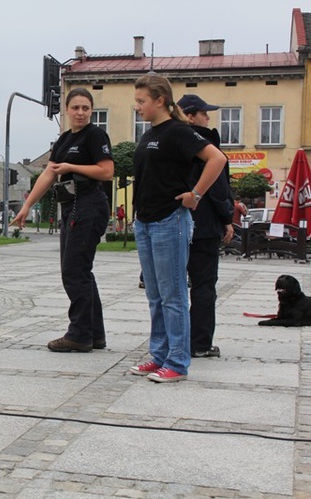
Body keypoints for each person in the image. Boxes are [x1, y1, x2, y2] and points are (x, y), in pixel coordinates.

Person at [129, 74, 226, 383]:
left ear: (160, 100)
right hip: (145, 222)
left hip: (170, 220)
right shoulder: (149, 134)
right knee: (155, 295)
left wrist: (196, 195)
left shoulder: (178, 132)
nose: (138, 106)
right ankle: (159, 355)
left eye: (142, 101)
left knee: (173, 296)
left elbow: (217, 158)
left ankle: (178, 362)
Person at [12, 87, 114, 353]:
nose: (80, 112)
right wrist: (27, 206)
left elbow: (106, 171)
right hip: (72, 206)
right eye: (75, 108)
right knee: (81, 271)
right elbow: (48, 174)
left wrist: (71, 167)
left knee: (74, 271)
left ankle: (79, 334)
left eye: (85, 108)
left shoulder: (95, 135)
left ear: (91, 111)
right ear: (66, 110)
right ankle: (95, 334)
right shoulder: (65, 139)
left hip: (89, 204)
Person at [177, 94, 235, 359]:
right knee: (203, 285)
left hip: (175, 224)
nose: (208, 117)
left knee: (174, 287)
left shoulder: (172, 141)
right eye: (204, 113)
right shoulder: (206, 146)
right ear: (190, 116)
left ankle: (175, 340)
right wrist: (227, 218)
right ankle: (200, 343)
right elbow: (218, 189)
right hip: (205, 225)